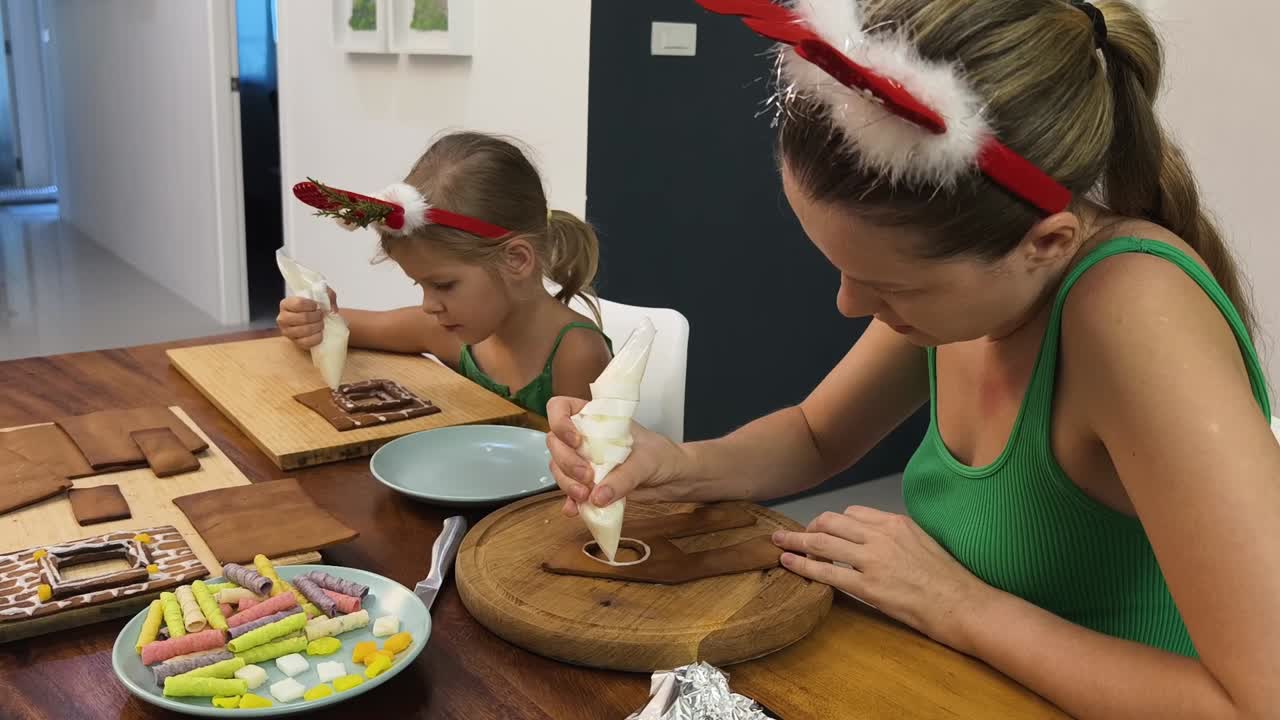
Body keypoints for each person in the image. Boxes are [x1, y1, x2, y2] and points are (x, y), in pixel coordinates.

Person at [546, 1, 1280, 716]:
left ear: (1046, 246)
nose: (848, 306)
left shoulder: (1134, 316)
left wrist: (958, 606)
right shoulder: (973, 287)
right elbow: (816, 434)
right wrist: (678, 465)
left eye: (890, 284)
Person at [277, 132, 612, 417]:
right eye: (420, 285)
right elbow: (343, 325)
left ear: (517, 260)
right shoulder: (449, 330)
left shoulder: (577, 355)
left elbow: (587, 476)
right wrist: (311, 318)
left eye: (443, 285)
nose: (429, 305)